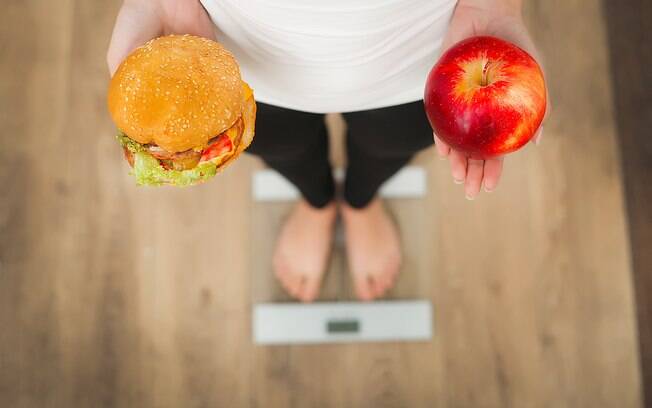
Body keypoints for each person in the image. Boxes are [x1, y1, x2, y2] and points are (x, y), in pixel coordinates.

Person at [108, 0, 546, 303]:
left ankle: (361, 202)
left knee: (389, 144)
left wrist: (496, 4)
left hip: (430, 56)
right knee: (282, 145)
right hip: (233, 53)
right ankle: (316, 203)